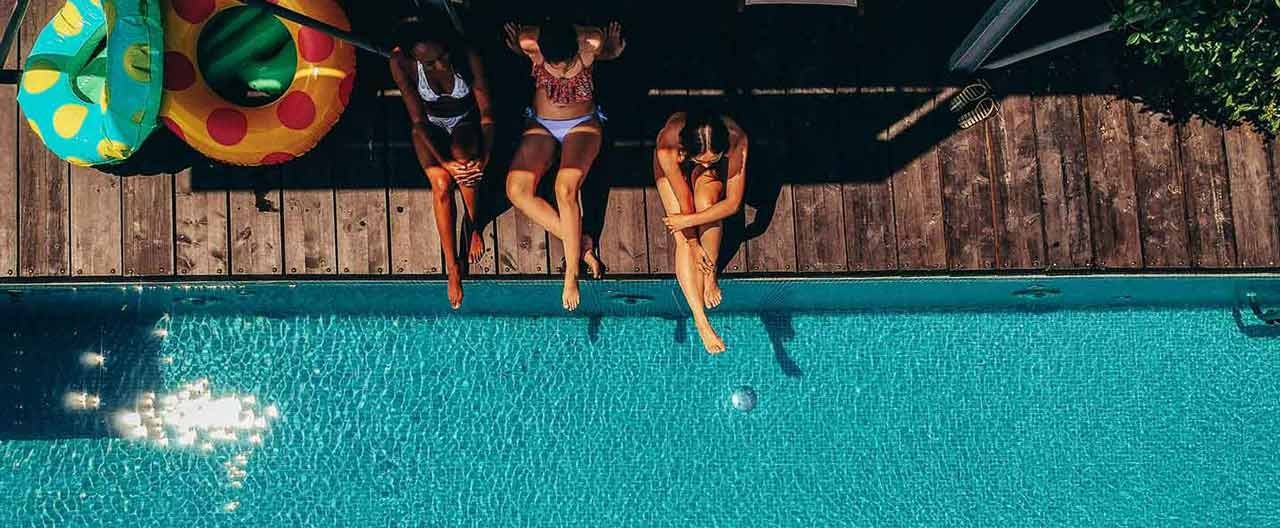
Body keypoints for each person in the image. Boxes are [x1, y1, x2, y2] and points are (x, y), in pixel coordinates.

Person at [502, 19, 626, 311]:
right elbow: (523, 46)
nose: (559, 71)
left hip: (581, 124)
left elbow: (605, 51)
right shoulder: (529, 41)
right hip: (541, 124)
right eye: (553, 65)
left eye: (565, 65)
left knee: (564, 189)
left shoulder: (591, 42)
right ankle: (581, 245)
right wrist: (523, 52)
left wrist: (610, 52)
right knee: (516, 189)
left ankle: (571, 274)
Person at [389, 20, 495, 309]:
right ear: (415, 58)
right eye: (430, 62)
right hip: (429, 126)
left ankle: (473, 225)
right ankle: (452, 267)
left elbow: (487, 115)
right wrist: (444, 164)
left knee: (466, 161)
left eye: (443, 55)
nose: (441, 64)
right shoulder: (400, 62)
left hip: (464, 121)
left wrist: (484, 158)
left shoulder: (467, 55)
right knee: (440, 185)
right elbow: (418, 122)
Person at [653, 111, 748, 354]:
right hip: (673, 166)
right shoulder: (668, 145)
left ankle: (709, 273)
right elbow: (684, 199)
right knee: (683, 241)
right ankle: (700, 319)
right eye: (701, 159)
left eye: (712, 158)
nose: (706, 163)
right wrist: (694, 243)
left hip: (702, 169)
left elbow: (732, 204)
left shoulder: (736, 138)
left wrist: (689, 220)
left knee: (706, 203)